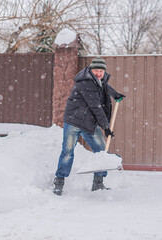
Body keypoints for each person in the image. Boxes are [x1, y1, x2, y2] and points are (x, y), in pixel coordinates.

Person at [53, 57, 125, 196]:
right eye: (96, 70)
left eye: (101, 71)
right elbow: (96, 106)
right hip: (74, 121)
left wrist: (115, 95)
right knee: (68, 151)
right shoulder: (85, 82)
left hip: (88, 122)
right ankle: (59, 182)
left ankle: (98, 182)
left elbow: (105, 88)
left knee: (101, 150)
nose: (98, 73)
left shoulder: (99, 80)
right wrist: (106, 127)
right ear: (90, 71)